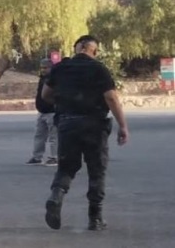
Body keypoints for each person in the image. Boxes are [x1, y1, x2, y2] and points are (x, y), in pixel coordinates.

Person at [42, 36, 129, 232]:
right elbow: (111, 98)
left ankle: (56, 196)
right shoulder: (99, 69)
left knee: (66, 168)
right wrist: (123, 125)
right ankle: (95, 218)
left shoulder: (60, 68)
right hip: (94, 126)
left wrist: (65, 102)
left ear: (76, 48)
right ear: (94, 51)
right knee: (97, 170)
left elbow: (45, 95)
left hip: (67, 124)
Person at [28, 58, 58, 166]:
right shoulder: (43, 78)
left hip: (52, 111)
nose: (43, 70)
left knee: (54, 136)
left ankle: (55, 157)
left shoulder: (54, 78)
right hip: (42, 111)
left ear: (51, 67)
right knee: (39, 135)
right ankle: (37, 157)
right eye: (42, 68)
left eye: (46, 67)